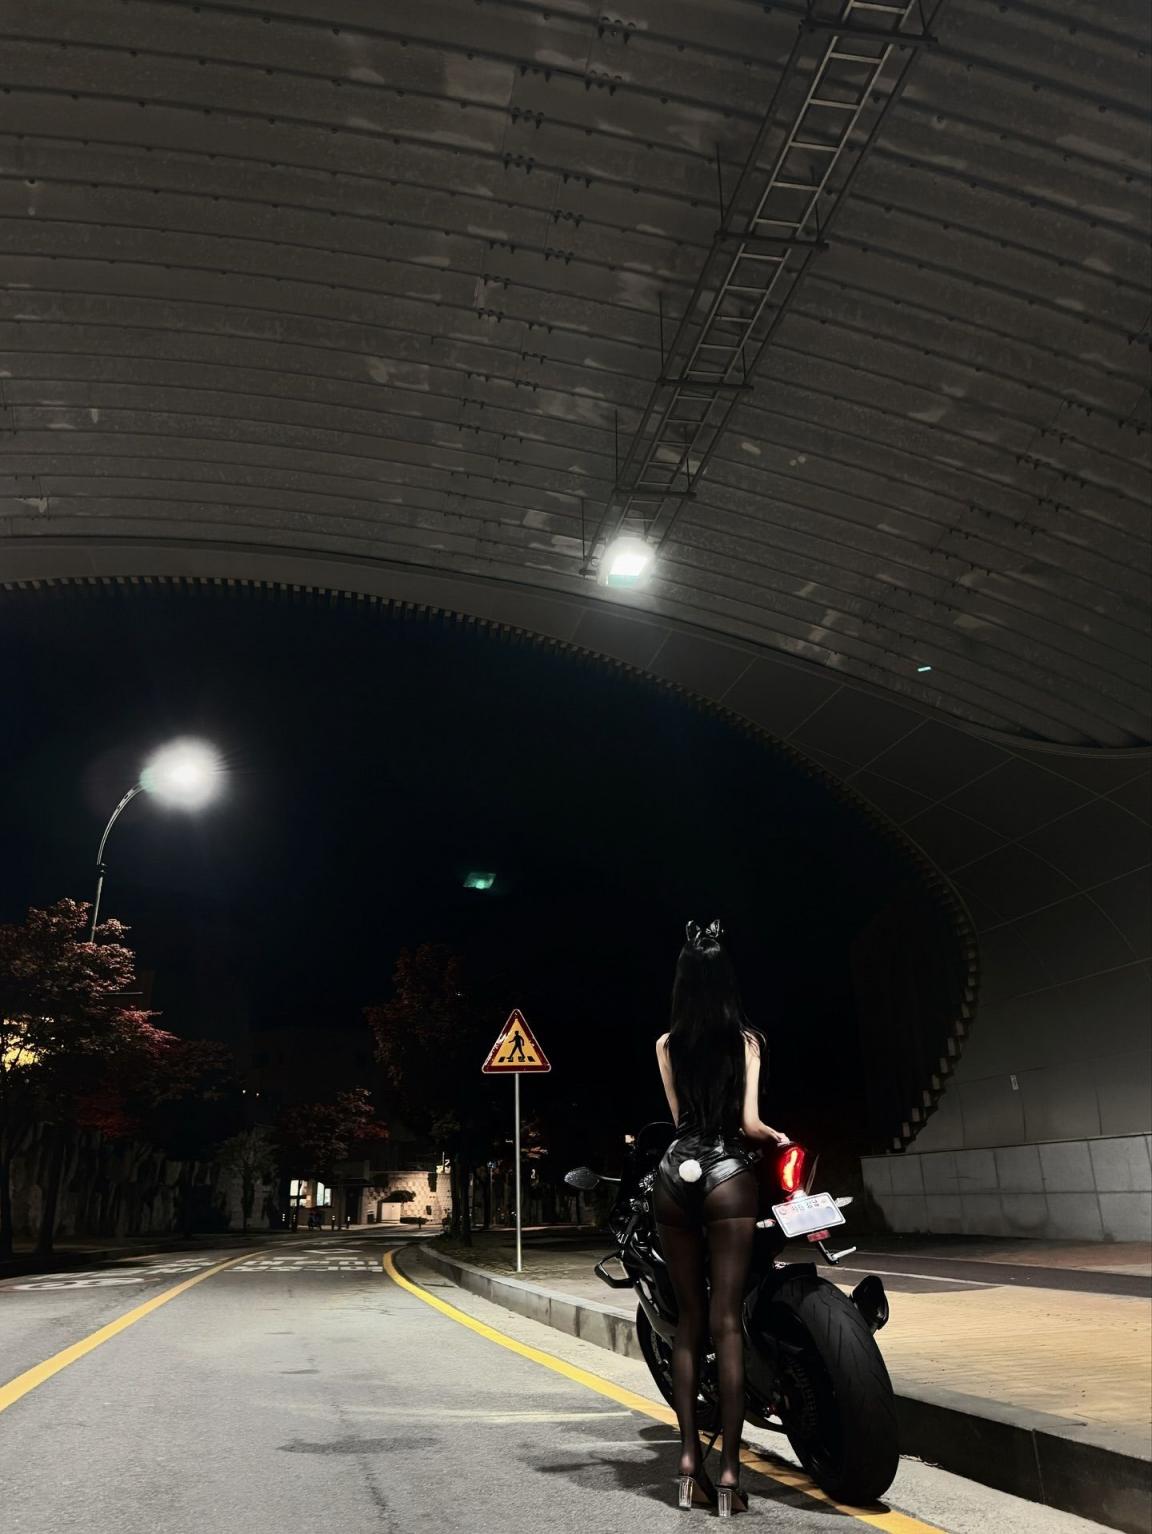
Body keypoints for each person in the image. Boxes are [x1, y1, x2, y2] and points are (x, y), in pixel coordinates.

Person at [655, 919, 790, 1518]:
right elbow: (749, 1124)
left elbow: (679, 1121)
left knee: (688, 1324)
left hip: (674, 1174)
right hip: (728, 1173)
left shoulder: (666, 1045)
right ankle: (731, 1473)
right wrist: (775, 1137)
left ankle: (689, 1465)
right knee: (727, 1322)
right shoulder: (747, 1041)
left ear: (682, 982)